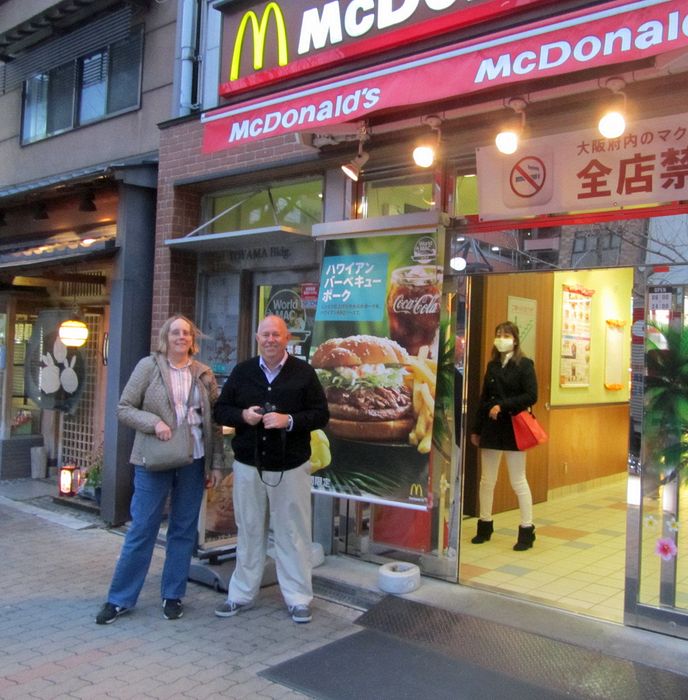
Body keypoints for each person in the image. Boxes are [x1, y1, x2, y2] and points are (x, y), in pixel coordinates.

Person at [95, 315, 224, 624]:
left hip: (193, 460)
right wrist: (154, 423)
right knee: (143, 528)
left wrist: (216, 463)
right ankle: (120, 598)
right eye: (175, 332)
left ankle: (173, 595)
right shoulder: (148, 367)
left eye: (186, 333)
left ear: (193, 340)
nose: (181, 337)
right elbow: (124, 408)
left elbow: (215, 423)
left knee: (182, 531)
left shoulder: (204, 374)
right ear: (166, 338)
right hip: (154, 459)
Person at [213, 315, 329, 624]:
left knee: (293, 534)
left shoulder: (304, 373)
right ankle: (240, 594)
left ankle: (298, 598)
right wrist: (242, 415)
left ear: (287, 338)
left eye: (276, 334)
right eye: (265, 334)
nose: (270, 340)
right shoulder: (243, 372)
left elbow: (320, 415)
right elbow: (219, 410)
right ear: (256, 337)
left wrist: (288, 421)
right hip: (249, 466)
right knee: (250, 531)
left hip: (291, 467)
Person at [470, 321, 537, 551]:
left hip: (513, 428)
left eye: (506, 335)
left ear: (515, 339)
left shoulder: (525, 364)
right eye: (498, 334)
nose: (501, 338)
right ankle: (485, 524)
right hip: (490, 428)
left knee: (518, 480)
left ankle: (527, 531)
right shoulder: (492, 365)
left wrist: (502, 405)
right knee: (487, 480)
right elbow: (483, 398)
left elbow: (531, 395)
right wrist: (476, 429)